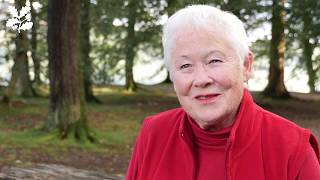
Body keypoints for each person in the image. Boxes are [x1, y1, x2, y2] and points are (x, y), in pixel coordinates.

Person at [126, 5, 320, 180]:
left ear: (246, 65)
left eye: (214, 61)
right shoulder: (154, 133)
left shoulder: (293, 149)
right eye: (185, 65)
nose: (201, 80)